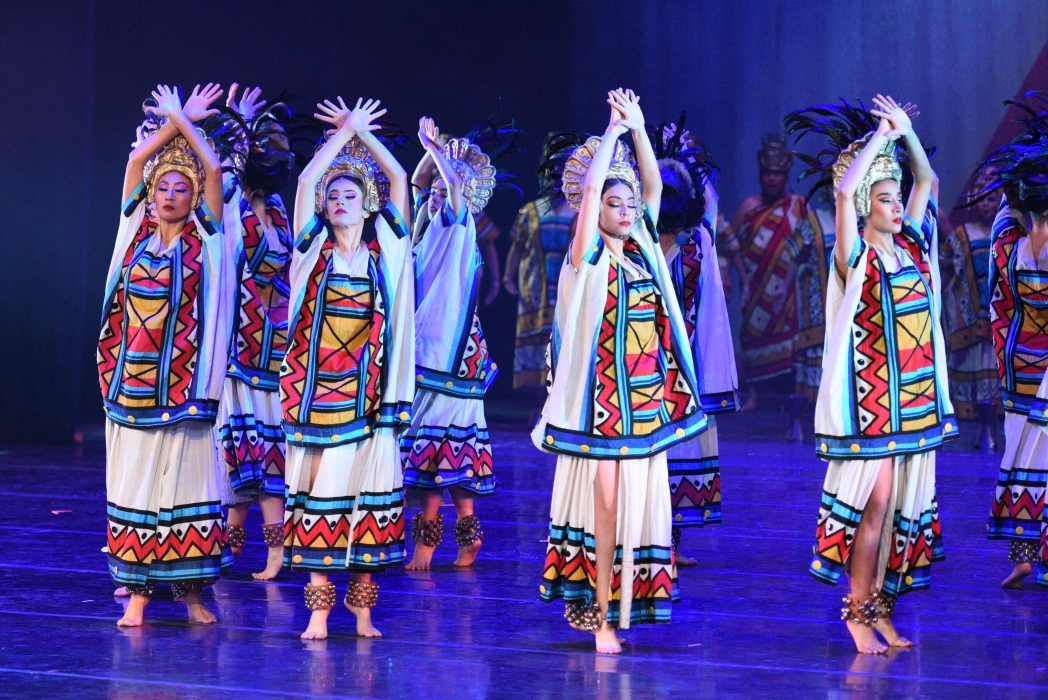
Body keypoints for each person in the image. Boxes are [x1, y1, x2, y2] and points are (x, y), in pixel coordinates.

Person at [534, 89, 708, 655]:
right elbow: (588, 193)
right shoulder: (585, 257)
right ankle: (601, 616)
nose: (628, 210)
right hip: (599, 403)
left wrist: (638, 130)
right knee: (604, 506)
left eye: (630, 204)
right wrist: (612, 136)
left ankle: (615, 607)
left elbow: (654, 188)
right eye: (616, 204)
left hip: (644, 400)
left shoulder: (643, 254)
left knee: (632, 511)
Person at [798, 96, 955, 654]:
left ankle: (884, 610)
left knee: (902, 514)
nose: (894, 207)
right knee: (875, 506)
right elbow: (843, 193)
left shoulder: (911, 246)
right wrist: (877, 143)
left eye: (895, 199)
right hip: (871, 405)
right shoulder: (854, 256)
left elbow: (929, 181)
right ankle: (856, 612)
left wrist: (906, 134)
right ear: (867, 206)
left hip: (915, 401)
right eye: (883, 199)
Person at [99, 84, 234, 627]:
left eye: (182, 189)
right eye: (164, 188)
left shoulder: (206, 241)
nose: (171, 195)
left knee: (185, 486)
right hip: (133, 387)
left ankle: (192, 594)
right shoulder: (132, 237)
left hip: (184, 390)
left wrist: (184, 122)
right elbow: (136, 160)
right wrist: (173, 123)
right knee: (136, 487)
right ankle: (136, 597)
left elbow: (216, 174)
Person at [281, 96, 414, 639]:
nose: (339, 201)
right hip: (320, 400)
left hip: (372, 398)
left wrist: (366, 138)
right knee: (322, 499)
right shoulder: (310, 251)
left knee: (367, 499)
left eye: (350, 195)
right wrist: (345, 134)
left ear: (367, 206)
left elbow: (400, 179)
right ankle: (317, 612)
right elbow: (308, 176)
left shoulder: (388, 254)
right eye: (332, 196)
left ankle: (361, 611)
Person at [401, 118, 515, 570]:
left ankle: (427, 543)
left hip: (450, 358)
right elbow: (417, 182)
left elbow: (448, 189)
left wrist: (441, 153)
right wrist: (429, 152)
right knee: (451, 451)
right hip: (430, 354)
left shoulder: (459, 224)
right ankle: (469, 536)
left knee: (434, 451)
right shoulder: (425, 228)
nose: (435, 193)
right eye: (434, 190)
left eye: (444, 189)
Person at [216, 85, 296, 580]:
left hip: (277, 343)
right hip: (240, 342)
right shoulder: (229, 204)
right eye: (269, 144)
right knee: (239, 451)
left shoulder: (280, 209)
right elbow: (222, 169)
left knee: (266, 451)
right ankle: (230, 547)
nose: (278, 153)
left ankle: (274, 552)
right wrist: (240, 127)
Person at [650, 118, 738, 565]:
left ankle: (671, 541)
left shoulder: (695, 245)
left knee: (680, 447)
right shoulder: (637, 244)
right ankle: (648, 538)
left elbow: (710, 209)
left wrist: (687, 157)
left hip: (681, 364)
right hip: (644, 364)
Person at [975, 91, 1048, 588]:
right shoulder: (1015, 240)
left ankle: (1027, 554)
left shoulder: (1011, 238)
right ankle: (1033, 554)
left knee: (1028, 455)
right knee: (1034, 456)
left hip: (1024, 362)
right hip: (1036, 365)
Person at [727, 135, 807, 411]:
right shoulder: (749, 207)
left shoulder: (798, 206)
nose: (772, 179)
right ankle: (754, 395)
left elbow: (805, 247)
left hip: (787, 291)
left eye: (777, 174)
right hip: (754, 284)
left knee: (790, 344)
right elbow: (729, 243)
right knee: (751, 336)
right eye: (767, 173)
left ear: (786, 176)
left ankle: (788, 403)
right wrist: (737, 277)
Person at [504, 134, 581, 394]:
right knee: (536, 345)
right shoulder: (529, 210)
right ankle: (537, 404)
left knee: (565, 339)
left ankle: (560, 400)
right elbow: (516, 246)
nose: (555, 183)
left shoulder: (581, 212)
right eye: (551, 176)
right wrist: (506, 278)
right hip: (535, 290)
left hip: (567, 288)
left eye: (561, 177)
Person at [941, 177, 1002, 450]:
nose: (987, 205)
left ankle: (992, 433)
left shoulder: (1008, 232)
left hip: (999, 317)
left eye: (992, 198)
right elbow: (947, 270)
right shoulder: (963, 234)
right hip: (970, 322)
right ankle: (972, 436)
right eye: (982, 199)